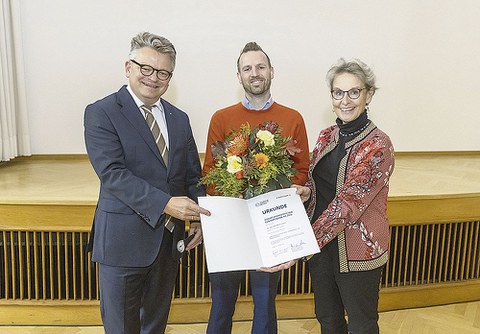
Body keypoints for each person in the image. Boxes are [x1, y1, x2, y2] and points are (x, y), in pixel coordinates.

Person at [83, 32, 210, 334]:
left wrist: (203, 219)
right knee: (122, 328)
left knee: (155, 325)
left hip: (168, 244)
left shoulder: (179, 118)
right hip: (123, 243)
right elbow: (112, 173)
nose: (154, 78)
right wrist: (166, 204)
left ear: (170, 77)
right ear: (128, 67)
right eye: (146, 68)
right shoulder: (102, 112)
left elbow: (192, 175)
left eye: (163, 72)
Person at [202, 42, 310, 334]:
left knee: (264, 301)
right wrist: (230, 201)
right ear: (238, 76)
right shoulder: (221, 118)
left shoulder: (292, 118)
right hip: (230, 222)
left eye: (260, 67)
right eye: (247, 68)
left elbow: (301, 170)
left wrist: (287, 193)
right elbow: (210, 172)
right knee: (222, 300)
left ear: (272, 72)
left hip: (270, 222)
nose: (255, 73)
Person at [294, 58, 395, 333]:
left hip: (357, 250)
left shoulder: (378, 144)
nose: (345, 100)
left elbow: (349, 203)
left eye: (354, 92)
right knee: (328, 319)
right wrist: (305, 191)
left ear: (369, 94)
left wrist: (303, 244)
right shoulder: (327, 135)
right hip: (323, 250)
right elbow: (321, 185)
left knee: (362, 324)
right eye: (338, 93)